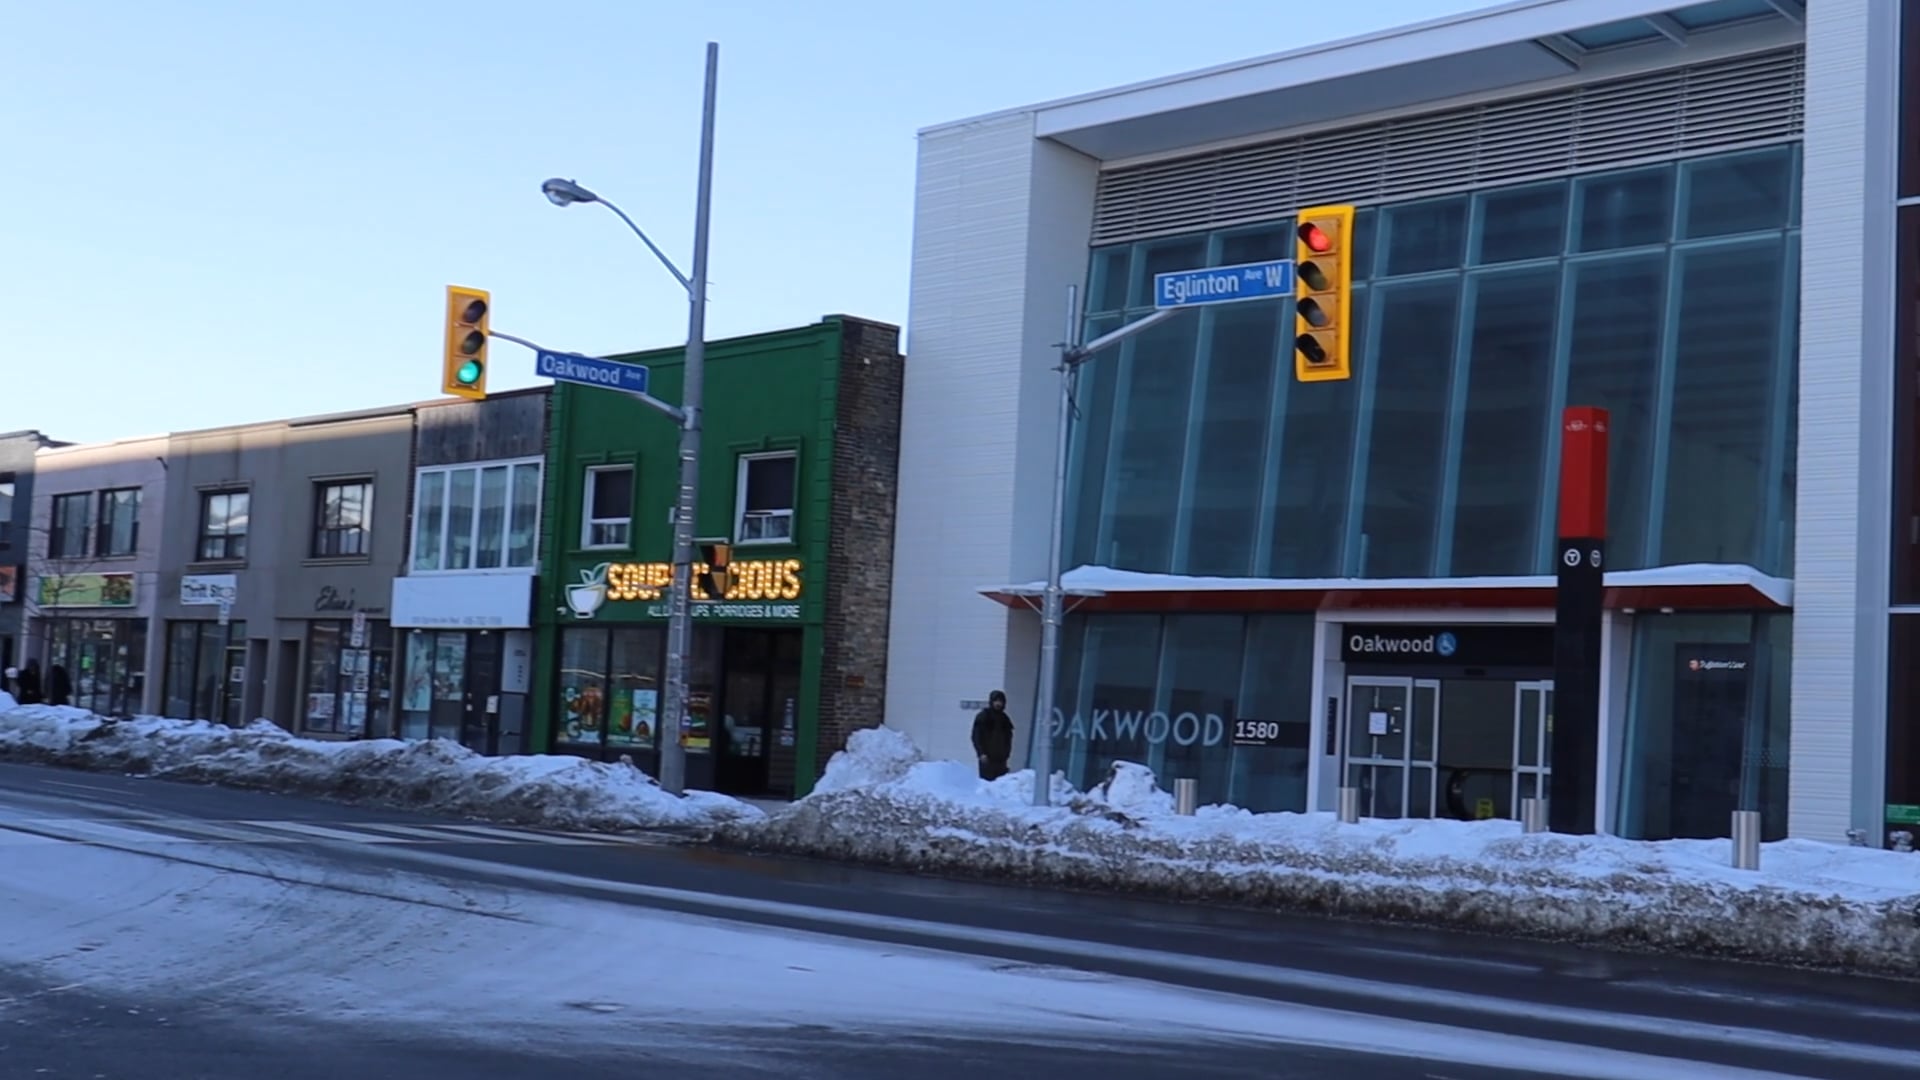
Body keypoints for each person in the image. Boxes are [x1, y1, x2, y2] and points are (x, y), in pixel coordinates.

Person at [971, 690, 1014, 781]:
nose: (998, 703)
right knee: (988, 785)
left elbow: (1008, 738)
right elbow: (976, 737)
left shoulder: (1005, 719)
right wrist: (981, 753)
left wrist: (1007, 754)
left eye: (1000, 701)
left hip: (1001, 760)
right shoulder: (984, 717)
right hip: (987, 758)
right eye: (996, 701)